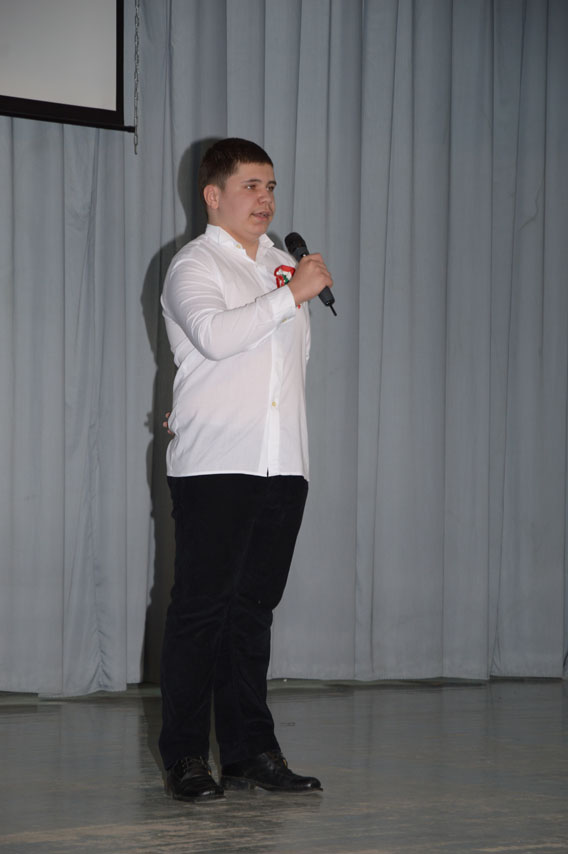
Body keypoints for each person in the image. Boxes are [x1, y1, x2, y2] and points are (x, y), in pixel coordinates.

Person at [159, 137, 333, 801]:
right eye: (251, 186)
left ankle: (249, 752)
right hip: (216, 465)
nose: (266, 199)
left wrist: (293, 289)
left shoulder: (285, 266)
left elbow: (290, 364)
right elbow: (214, 336)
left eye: (271, 187)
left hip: (282, 464)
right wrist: (293, 297)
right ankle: (185, 756)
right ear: (214, 195)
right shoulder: (193, 264)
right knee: (200, 614)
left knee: (253, 614)